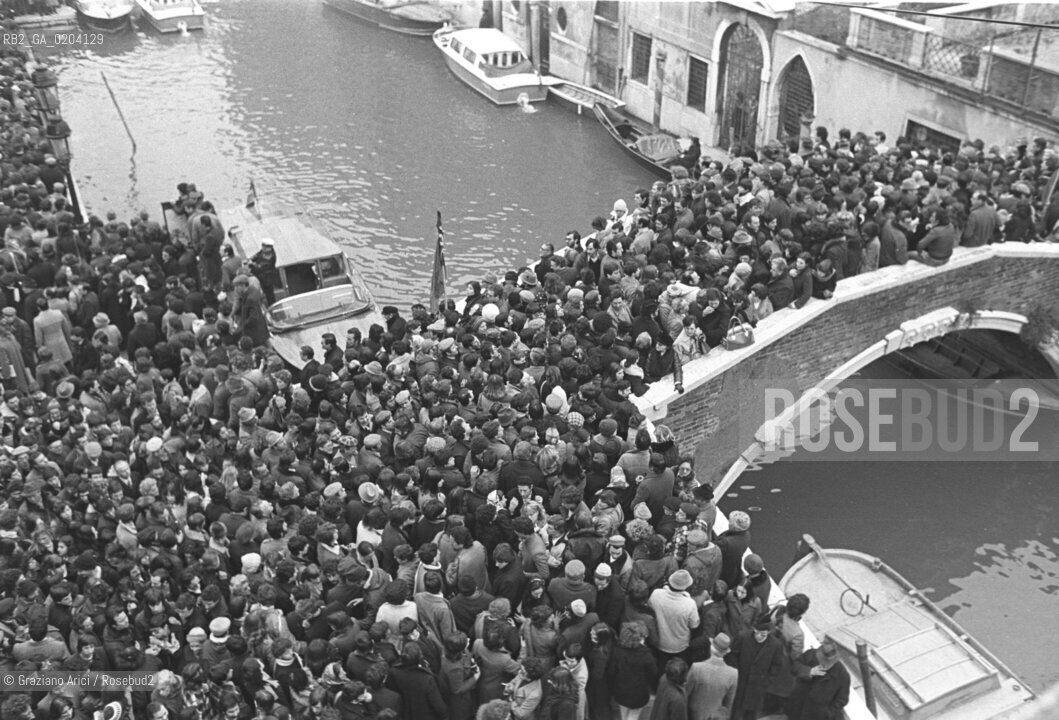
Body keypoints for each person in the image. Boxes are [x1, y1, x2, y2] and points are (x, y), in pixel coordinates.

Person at [786, 641, 850, 720]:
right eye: (823, 661)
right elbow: (794, 667)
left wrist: (827, 714)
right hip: (798, 707)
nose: (824, 665)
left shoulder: (842, 675)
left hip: (816, 716)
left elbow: (842, 700)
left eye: (828, 663)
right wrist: (809, 671)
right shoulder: (810, 655)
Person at [685, 633, 738, 720]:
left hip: (693, 714)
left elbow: (686, 692)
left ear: (711, 648)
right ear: (725, 653)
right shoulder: (733, 674)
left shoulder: (696, 667)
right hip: (715, 716)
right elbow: (728, 703)